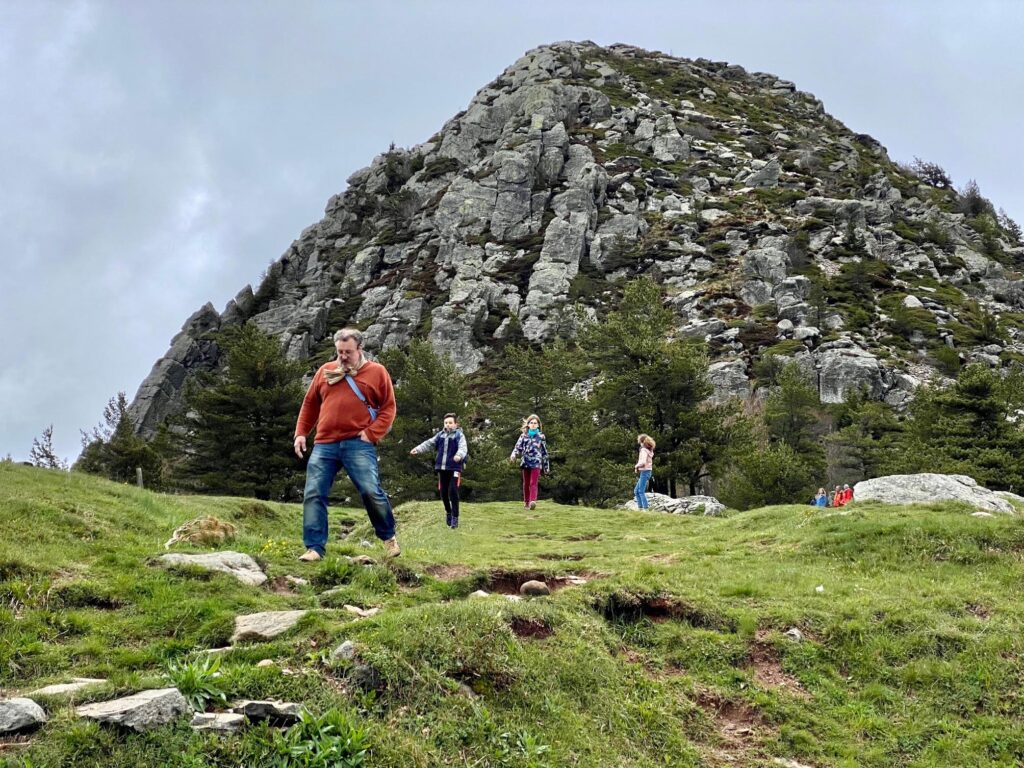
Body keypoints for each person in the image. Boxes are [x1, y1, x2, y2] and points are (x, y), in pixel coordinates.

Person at [293, 328, 399, 562]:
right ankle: (314, 548)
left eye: (348, 352)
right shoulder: (325, 371)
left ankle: (388, 537)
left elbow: (389, 408)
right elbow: (310, 404)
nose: (343, 356)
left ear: (360, 349)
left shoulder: (377, 372)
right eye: (339, 352)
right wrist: (301, 433)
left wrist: (372, 434)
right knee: (313, 493)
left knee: (371, 491)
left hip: (358, 444)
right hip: (324, 443)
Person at [410, 413, 468, 529]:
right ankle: (448, 512)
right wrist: (418, 449)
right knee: (443, 492)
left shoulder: (459, 435)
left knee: (452, 491)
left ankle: (455, 518)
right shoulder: (440, 435)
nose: (448, 425)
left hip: (454, 468)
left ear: (456, 424)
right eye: (446, 423)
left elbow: (463, 447)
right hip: (442, 468)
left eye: (450, 423)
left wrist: (459, 455)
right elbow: (429, 443)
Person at [509, 414, 549, 510]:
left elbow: (545, 452)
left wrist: (546, 467)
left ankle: (532, 501)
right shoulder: (523, 436)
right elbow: (517, 447)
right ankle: (526, 502)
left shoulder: (541, 437)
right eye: (531, 423)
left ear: (538, 425)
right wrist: (513, 455)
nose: (533, 425)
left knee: (533, 483)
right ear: (528, 424)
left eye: (535, 423)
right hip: (526, 462)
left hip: (536, 462)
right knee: (526, 483)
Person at [633, 434, 656, 510]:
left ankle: (645, 509)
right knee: (636, 491)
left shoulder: (643, 450)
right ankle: (640, 508)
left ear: (642, 442)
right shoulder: (649, 450)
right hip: (647, 471)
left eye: (640, 442)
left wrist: (636, 466)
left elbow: (643, 462)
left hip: (645, 472)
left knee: (640, 491)